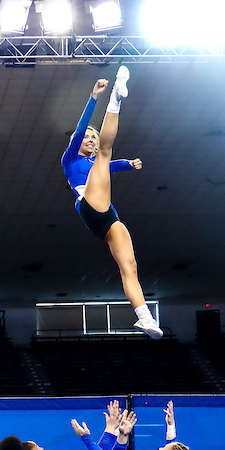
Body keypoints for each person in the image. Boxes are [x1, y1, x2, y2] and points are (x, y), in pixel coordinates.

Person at [61, 69, 160, 339]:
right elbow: (83, 130)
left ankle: (145, 318)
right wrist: (94, 98)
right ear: (76, 143)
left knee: (130, 265)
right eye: (87, 137)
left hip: (106, 216)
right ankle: (116, 97)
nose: (90, 139)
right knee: (106, 155)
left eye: (94, 137)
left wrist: (128, 165)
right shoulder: (70, 160)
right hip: (89, 205)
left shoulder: (97, 164)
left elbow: (111, 166)